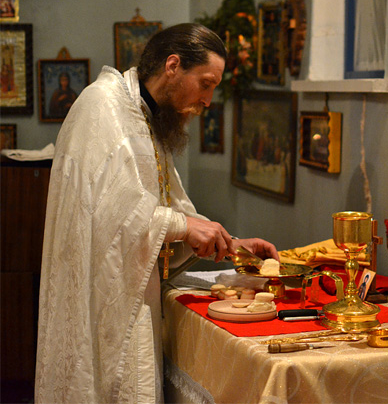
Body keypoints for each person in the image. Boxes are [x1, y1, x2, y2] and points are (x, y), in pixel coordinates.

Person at [35, 23, 279, 403]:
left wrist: (231, 245)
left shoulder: (146, 116)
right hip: (100, 304)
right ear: (173, 66)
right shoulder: (103, 108)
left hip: (134, 295)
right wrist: (182, 227)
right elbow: (109, 216)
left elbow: (168, 206)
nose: (209, 100)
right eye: (206, 83)